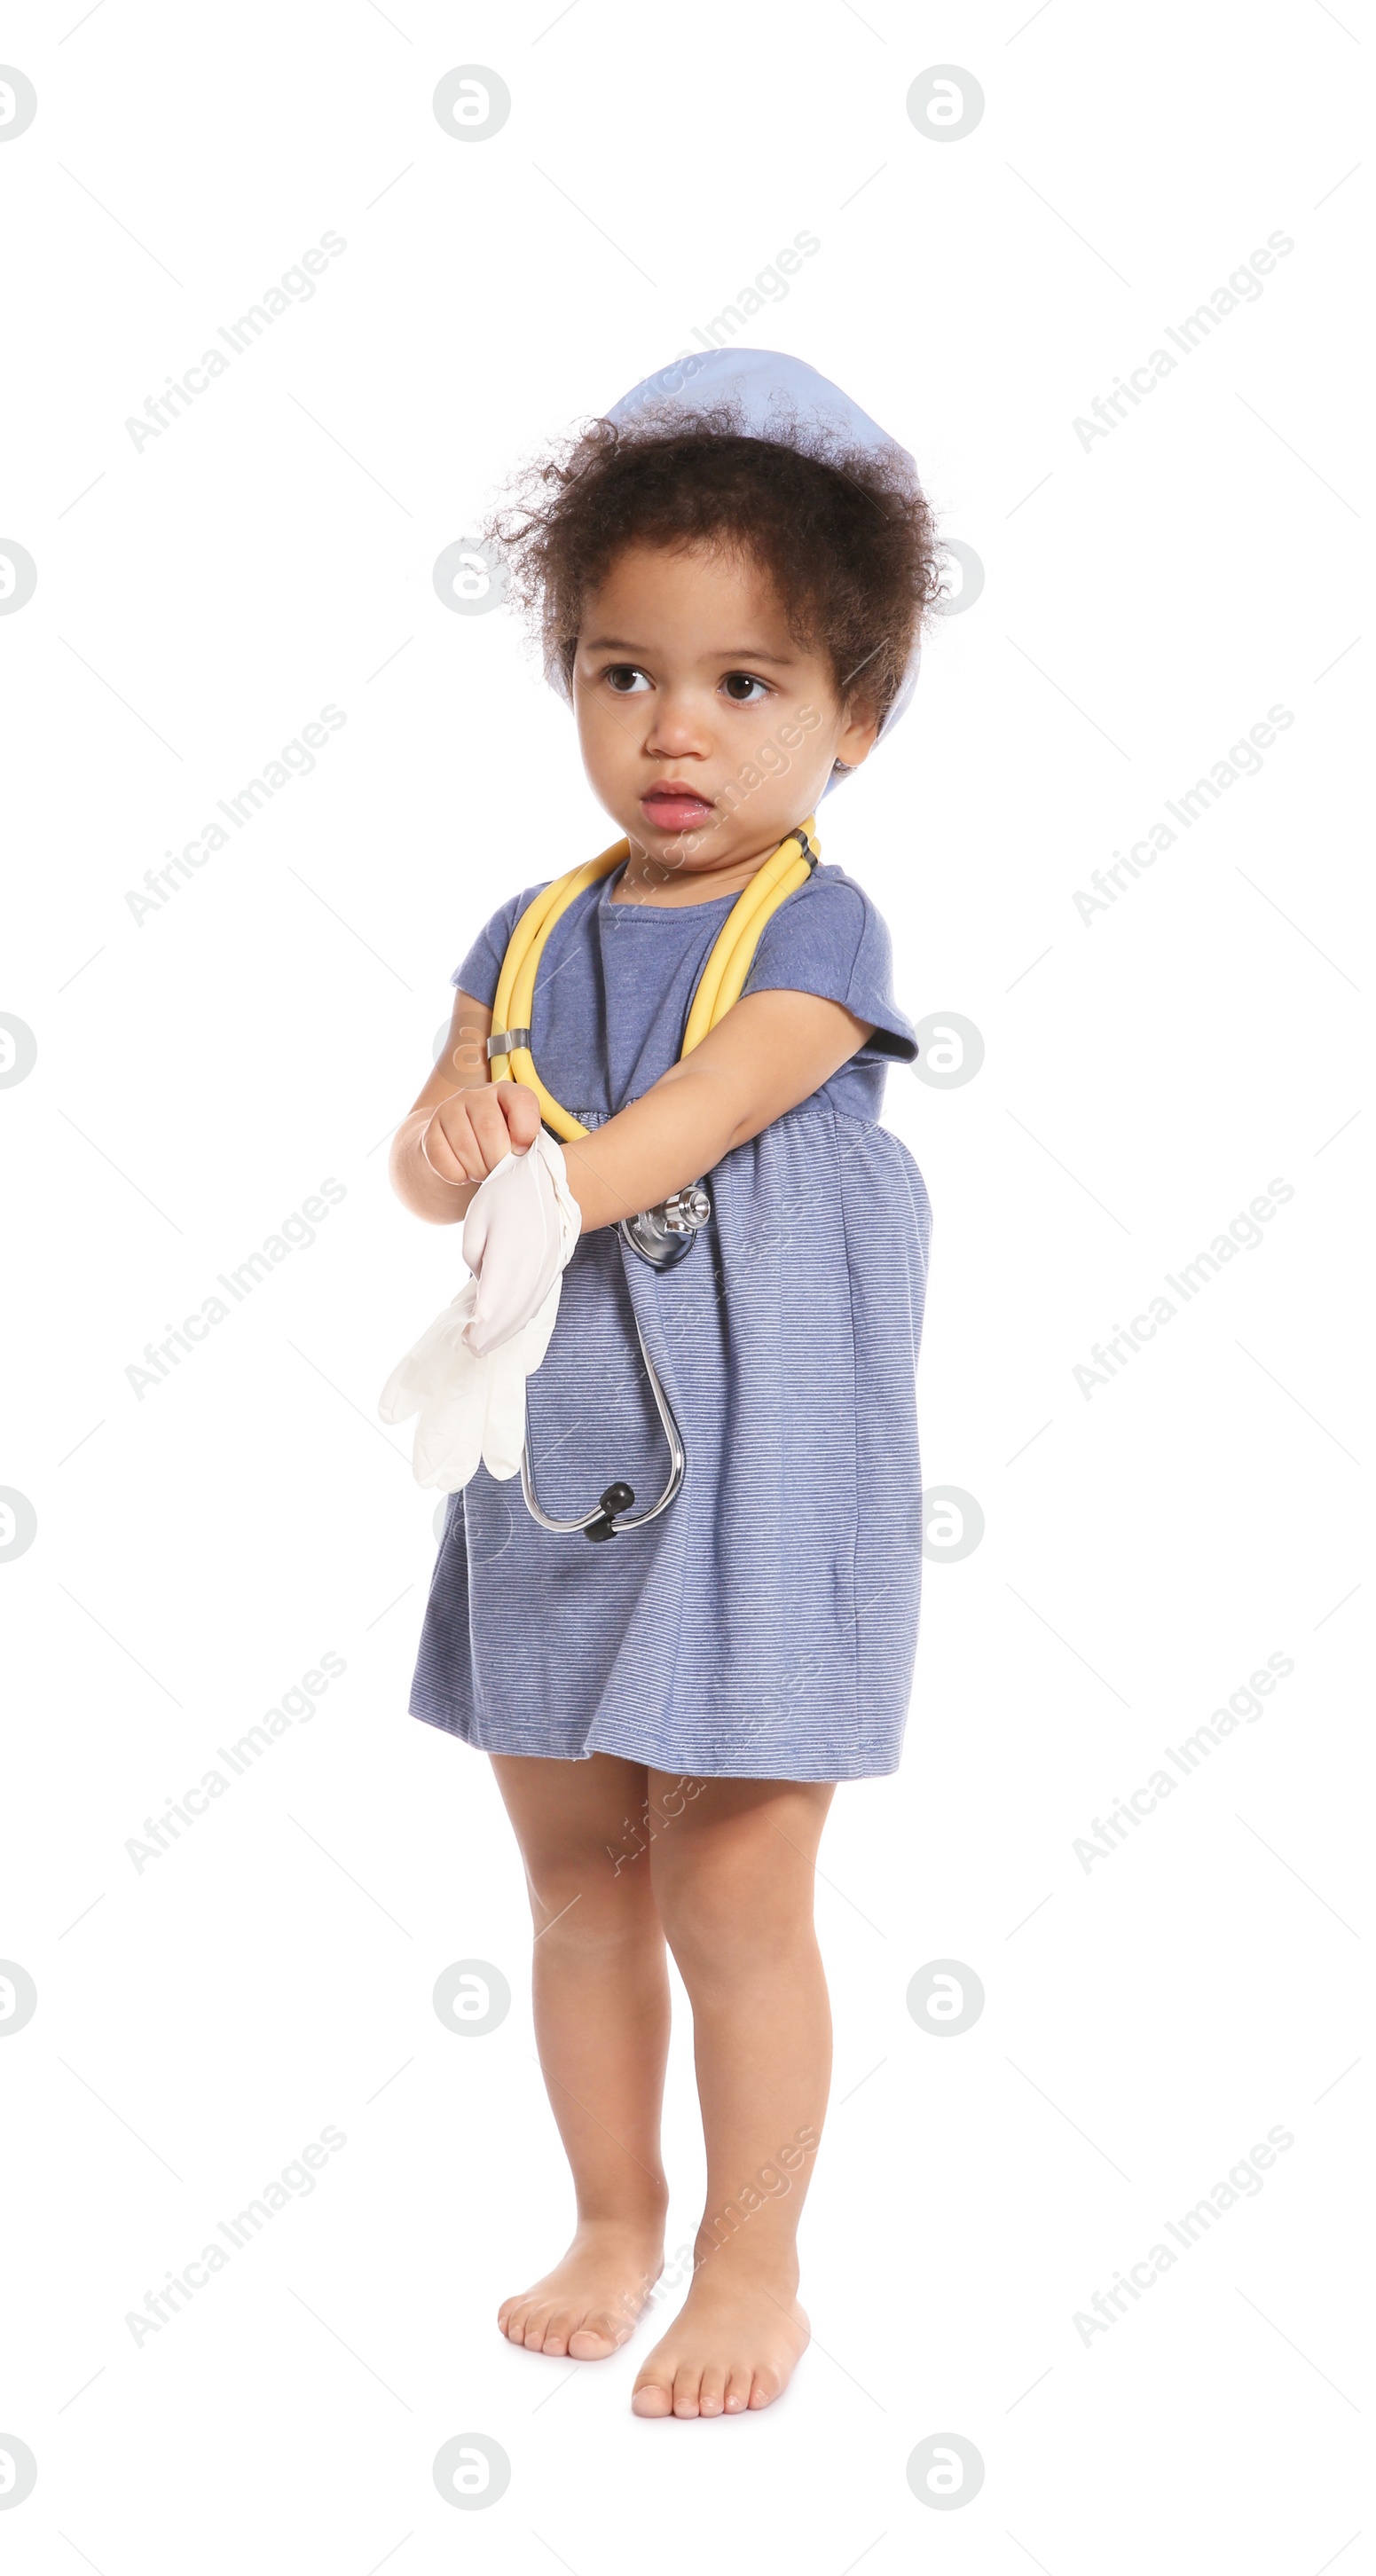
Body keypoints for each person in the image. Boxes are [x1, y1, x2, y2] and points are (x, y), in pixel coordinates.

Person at [388, 350, 938, 2419]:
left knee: (728, 1880)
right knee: (573, 1876)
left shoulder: (818, 937)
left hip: (758, 1475)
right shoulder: (526, 933)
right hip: (559, 1459)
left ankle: (749, 2262)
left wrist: (532, 1166)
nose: (673, 732)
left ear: (851, 716)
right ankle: (610, 2215)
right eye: (624, 677)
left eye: (743, 685)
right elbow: (427, 1139)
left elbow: (697, 1118)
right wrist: (445, 1143)